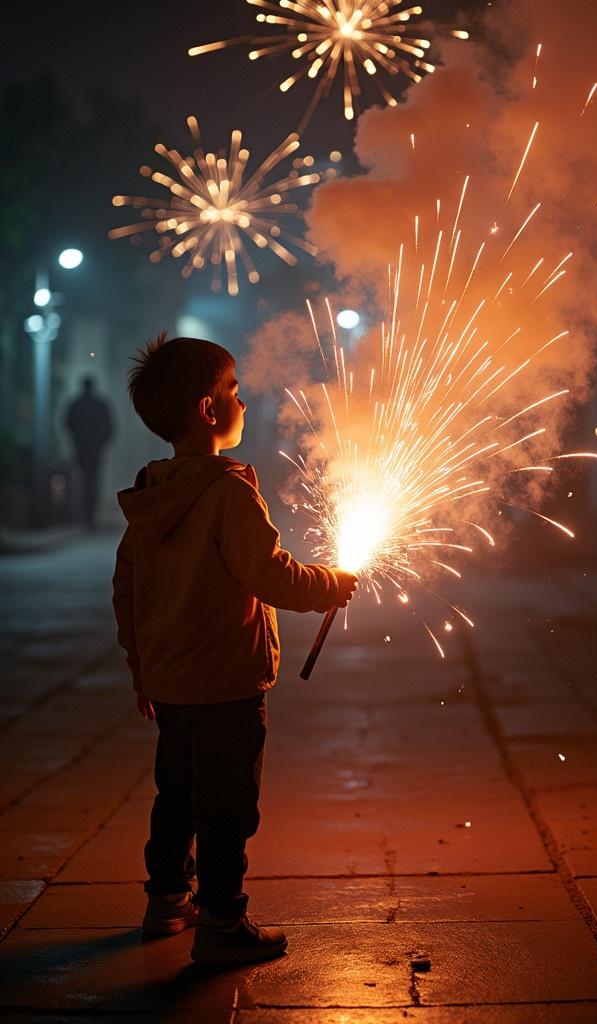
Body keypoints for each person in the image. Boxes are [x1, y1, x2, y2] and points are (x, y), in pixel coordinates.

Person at [112, 333, 357, 966]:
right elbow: (269, 575)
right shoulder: (228, 491)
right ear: (207, 410)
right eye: (235, 391)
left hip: (171, 684)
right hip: (226, 683)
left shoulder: (151, 493)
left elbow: (127, 589)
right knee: (227, 806)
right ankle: (222, 922)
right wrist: (330, 583)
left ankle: (166, 901)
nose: (243, 402)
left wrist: (143, 669)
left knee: (177, 795)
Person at [65, 376, 114, 529]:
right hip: (95, 449)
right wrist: (101, 442)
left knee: (83, 480)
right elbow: (110, 428)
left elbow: (67, 424)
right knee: (93, 481)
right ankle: (90, 516)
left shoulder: (76, 404)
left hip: (81, 448)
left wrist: (77, 440)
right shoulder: (100, 405)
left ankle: (86, 516)